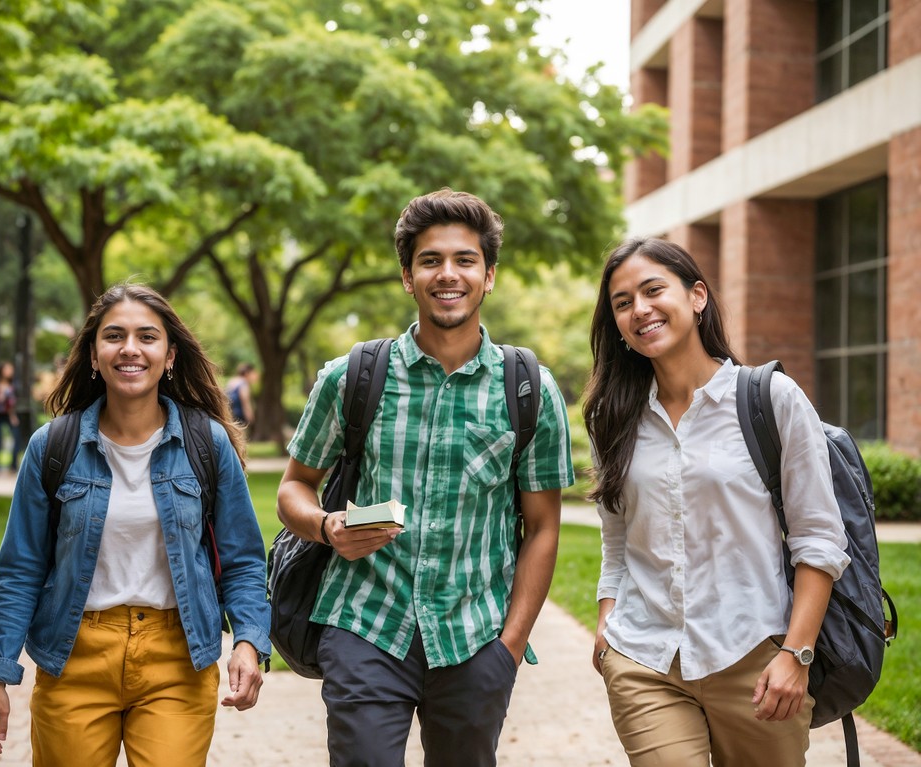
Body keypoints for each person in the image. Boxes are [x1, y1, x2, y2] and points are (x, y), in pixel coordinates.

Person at [277, 188, 574, 766]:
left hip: (476, 637)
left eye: (465, 260)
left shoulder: (529, 390)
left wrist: (509, 648)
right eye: (430, 260)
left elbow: (542, 528)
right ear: (407, 277)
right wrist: (326, 526)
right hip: (365, 622)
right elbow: (294, 486)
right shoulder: (351, 378)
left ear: (489, 276)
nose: (448, 274)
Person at [0, 284, 271, 766]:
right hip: (74, 658)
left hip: (177, 659)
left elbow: (243, 561)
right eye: (114, 336)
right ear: (94, 355)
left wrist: (248, 641)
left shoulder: (207, 444)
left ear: (169, 356)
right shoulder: (52, 447)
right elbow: (19, 569)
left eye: (147, 337)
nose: (130, 348)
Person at [583, 238, 849, 766]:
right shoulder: (611, 419)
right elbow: (617, 539)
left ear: (697, 296)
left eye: (653, 290)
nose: (640, 309)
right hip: (644, 659)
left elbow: (818, 539)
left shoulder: (771, 398)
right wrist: (607, 620)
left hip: (756, 658)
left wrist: (797, 654)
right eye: (622, 302)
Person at [0, 361, 22, 472]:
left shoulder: (14, 384)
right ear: (1, 370)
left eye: (11, 369)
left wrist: (13, 415)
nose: (10, 371)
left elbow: (16, 401)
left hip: (10, 415)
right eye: (7, 369)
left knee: (17, 438)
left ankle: (13, 464)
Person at [225, 361, 257, 427]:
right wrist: (250, 417)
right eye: (252, 373)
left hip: (229, 414)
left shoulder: (232, 381)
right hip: (239, 416)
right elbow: (245, 402)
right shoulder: (244, 384)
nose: (254, 376)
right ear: (247, 373)